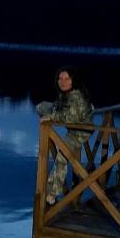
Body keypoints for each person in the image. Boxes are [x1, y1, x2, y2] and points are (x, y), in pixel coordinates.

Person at [36, 66, 93, 204]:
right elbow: (61, 107)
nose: (63, 82)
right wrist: (49, 110)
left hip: (79, 132)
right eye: (60, 79)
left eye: (67, 79)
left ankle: (51, 194)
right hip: (74, 126)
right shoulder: (67, 94)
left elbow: (69, 117)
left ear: (74, 80)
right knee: (41, 106)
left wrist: (51, 116)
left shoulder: (76, 95)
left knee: (61, 158)